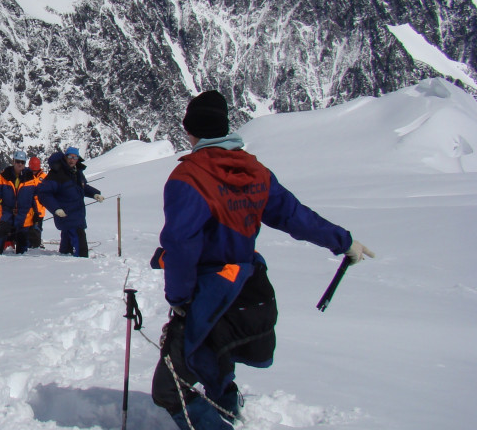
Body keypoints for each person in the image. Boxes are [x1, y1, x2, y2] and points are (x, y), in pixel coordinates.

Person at [149, 90, 376, 430]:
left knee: (168, 389)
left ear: (191, 130)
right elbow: (294, 216)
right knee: (217, 359)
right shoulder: (255, 171)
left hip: (208, 291)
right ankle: (227, 410)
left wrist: (179, 298)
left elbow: (182, 244)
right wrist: (343, 241)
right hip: (246, 286)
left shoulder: (189, 178)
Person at [36, 146, 103, 257]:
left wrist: (94, 194)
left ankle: (65, 261)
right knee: (80, 241)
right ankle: (82, 262)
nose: (72, 160)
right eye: (70, 157)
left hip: (77, 213)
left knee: (66, 246)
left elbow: (82, 187)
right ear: (65, 157)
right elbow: (44, 193)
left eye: (75, 157)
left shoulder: (77, 172)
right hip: (67, 214)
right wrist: (56, 208)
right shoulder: (57, 174)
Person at [0, 150, 40, 254]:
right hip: (7, 211)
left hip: (24, 214)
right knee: (1, 232)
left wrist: (37, 213)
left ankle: (20, 258)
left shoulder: (31, 178)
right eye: (18, 161)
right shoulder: (4, 176)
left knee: (22, 240)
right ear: (13, 161)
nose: (20, 164)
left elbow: (36, 197)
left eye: (22, 162)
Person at [27, 156, 46, 249]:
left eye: (35, 170)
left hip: (40, 210)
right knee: (28, 228)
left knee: (37, 228)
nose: (33, 172)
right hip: (28, 210)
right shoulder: (26, 175)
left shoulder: (44, 177)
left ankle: (36, 244)